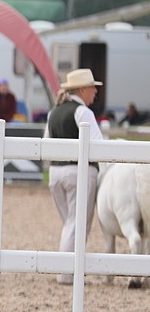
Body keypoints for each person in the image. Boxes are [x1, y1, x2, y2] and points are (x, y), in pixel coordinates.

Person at [45, 69, 105, 284]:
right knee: (76, 224)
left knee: (69, 223)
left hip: (55, 174)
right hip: (78, 172)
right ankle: (67, 273)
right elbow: (98, 144)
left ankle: (67, 269)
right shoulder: (83, 112)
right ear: (82, 90)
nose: (95, 91)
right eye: (92, 88)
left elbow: (46, 144)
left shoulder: (54, 113)